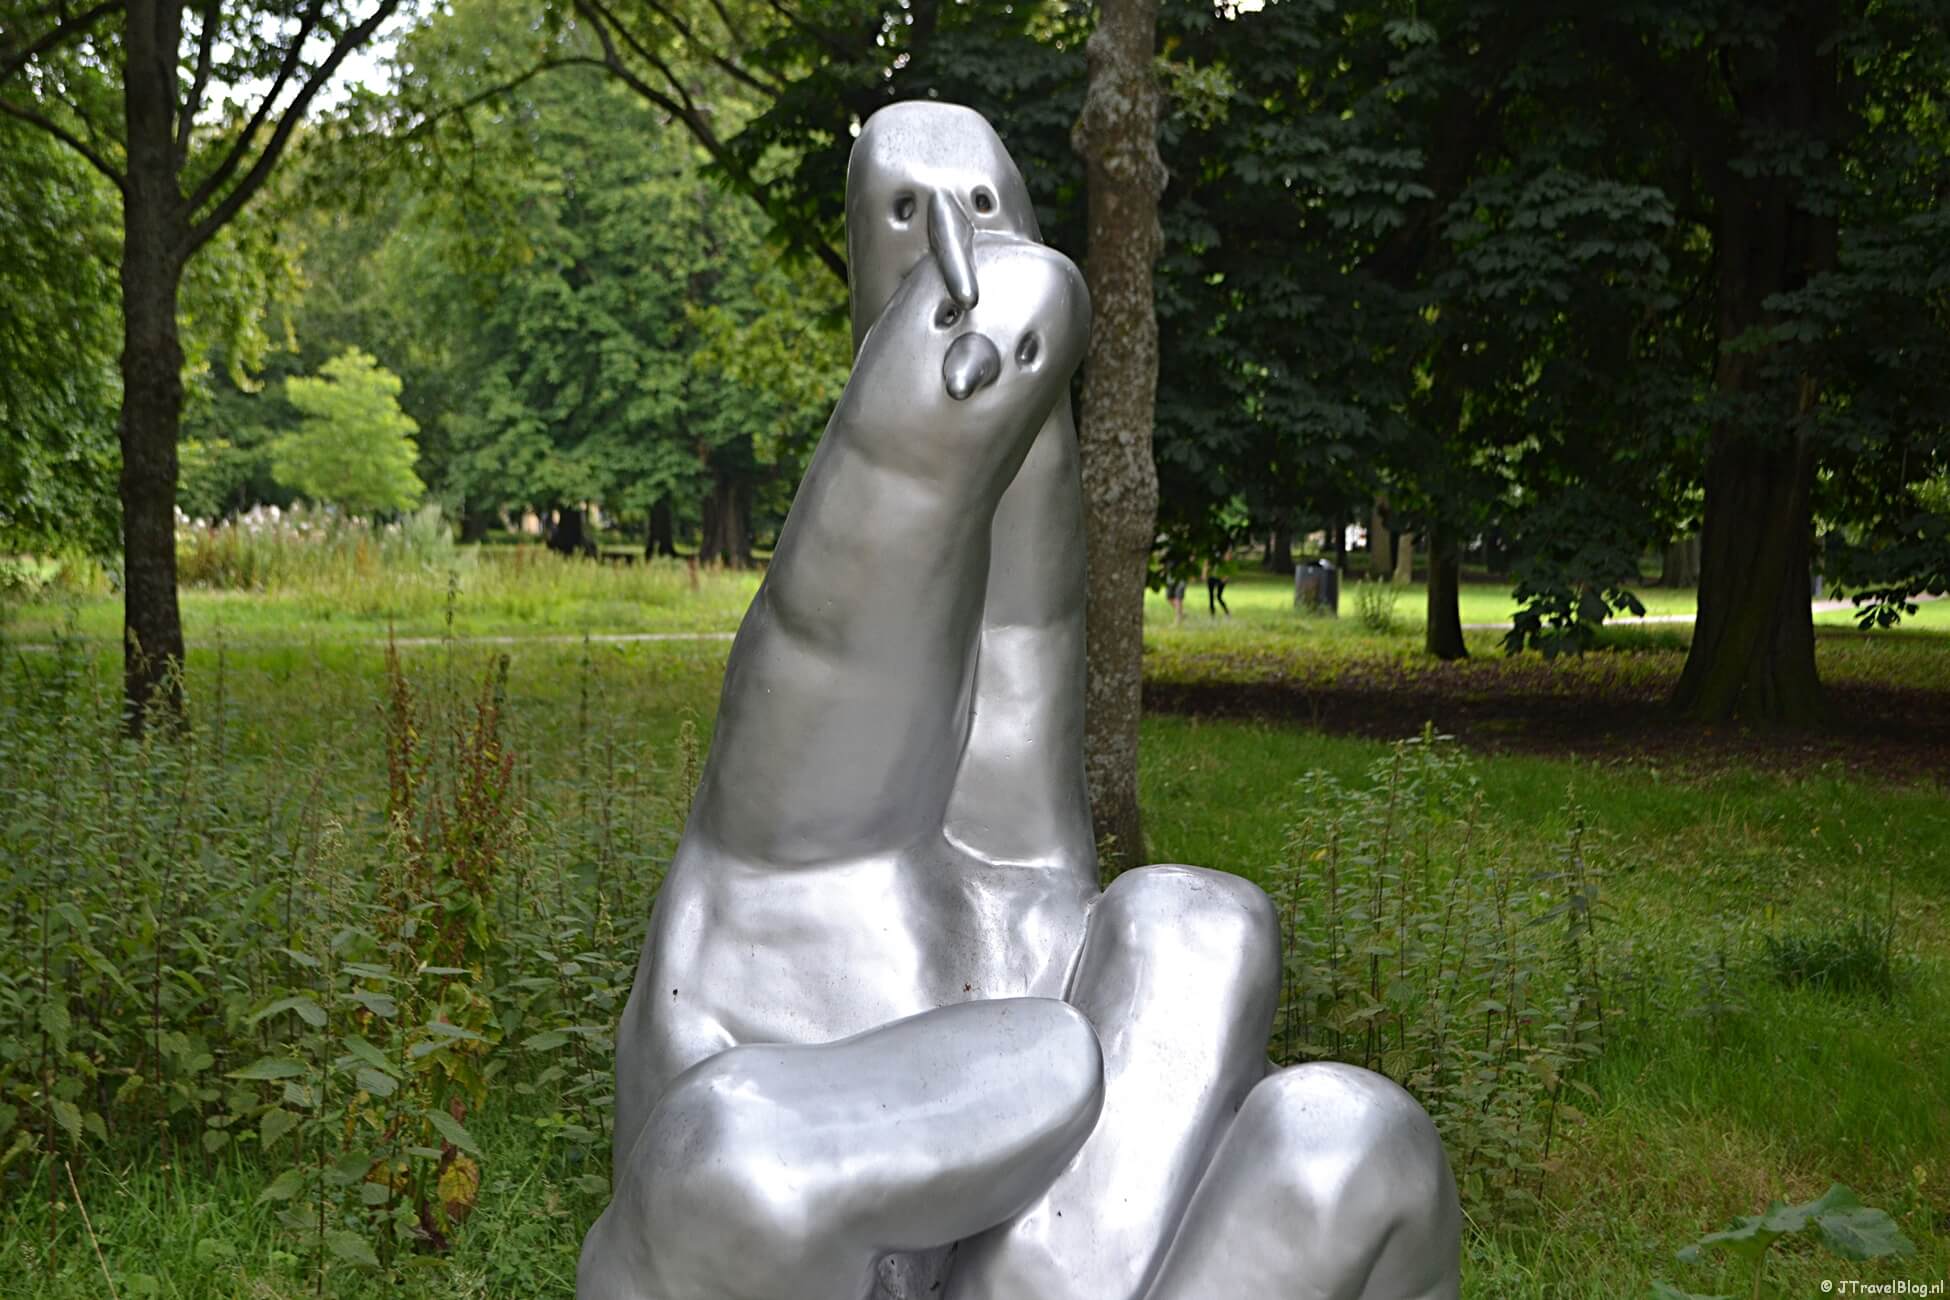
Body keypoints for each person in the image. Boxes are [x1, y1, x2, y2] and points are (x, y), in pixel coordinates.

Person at [1206, 550, 1232, 618]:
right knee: (1211, 596)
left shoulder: (1224, 552)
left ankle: (1227, 612)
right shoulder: (1212, 555)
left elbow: (1229, 565)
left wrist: (1226, 577)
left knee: (1218, 596)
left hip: (1220, 578)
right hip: (1212, 578)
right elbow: (1207, 563)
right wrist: (1205, 572)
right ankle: (1212, 614)